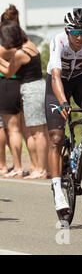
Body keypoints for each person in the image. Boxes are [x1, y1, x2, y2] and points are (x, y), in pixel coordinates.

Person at [45, 8, 82, 216]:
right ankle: (58, 189)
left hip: (80, 80)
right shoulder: (58, 41)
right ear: (67, 31)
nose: (79, 37)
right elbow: (56, 75)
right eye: (75, 32)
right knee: (56, 137)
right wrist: (63, 102)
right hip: (57, 84)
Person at [0, 21, 49, 180]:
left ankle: (40, 169)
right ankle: (42, 168)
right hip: (39, 86)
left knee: (38, 133)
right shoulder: (30, 45)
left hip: (31, 90)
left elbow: (8, 72)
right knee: (39, 131)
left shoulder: (21, 53)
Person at [0, 6, 24, 178]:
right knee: (18, 128)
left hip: (3, 81)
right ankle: (18, 165)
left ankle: (2, 165)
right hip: (20, 82)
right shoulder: (22, 36)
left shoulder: (3, 36)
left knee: (3, 127)